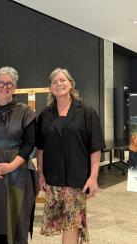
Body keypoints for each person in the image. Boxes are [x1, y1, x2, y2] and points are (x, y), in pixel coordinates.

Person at [36, 67, 106, 244]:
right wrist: (41, 174)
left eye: (63, 80)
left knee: (72, 225)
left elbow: (95, 148)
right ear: (50, 88)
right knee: (62, 224)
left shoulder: (86, 113)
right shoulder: (45, 115)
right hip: (53, 180)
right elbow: (41, 148)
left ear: (71, 84)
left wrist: (93, 177)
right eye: (54, 82)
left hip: (77, 181)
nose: (59, 84)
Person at [0, 66, 38, 244]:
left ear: (15, 87)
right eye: (0, 83)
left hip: (17, 172)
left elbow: (29, 144)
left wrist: (10, 166)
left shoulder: (26, 112)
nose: (5, 87)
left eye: (9, 83)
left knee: (15, 218)